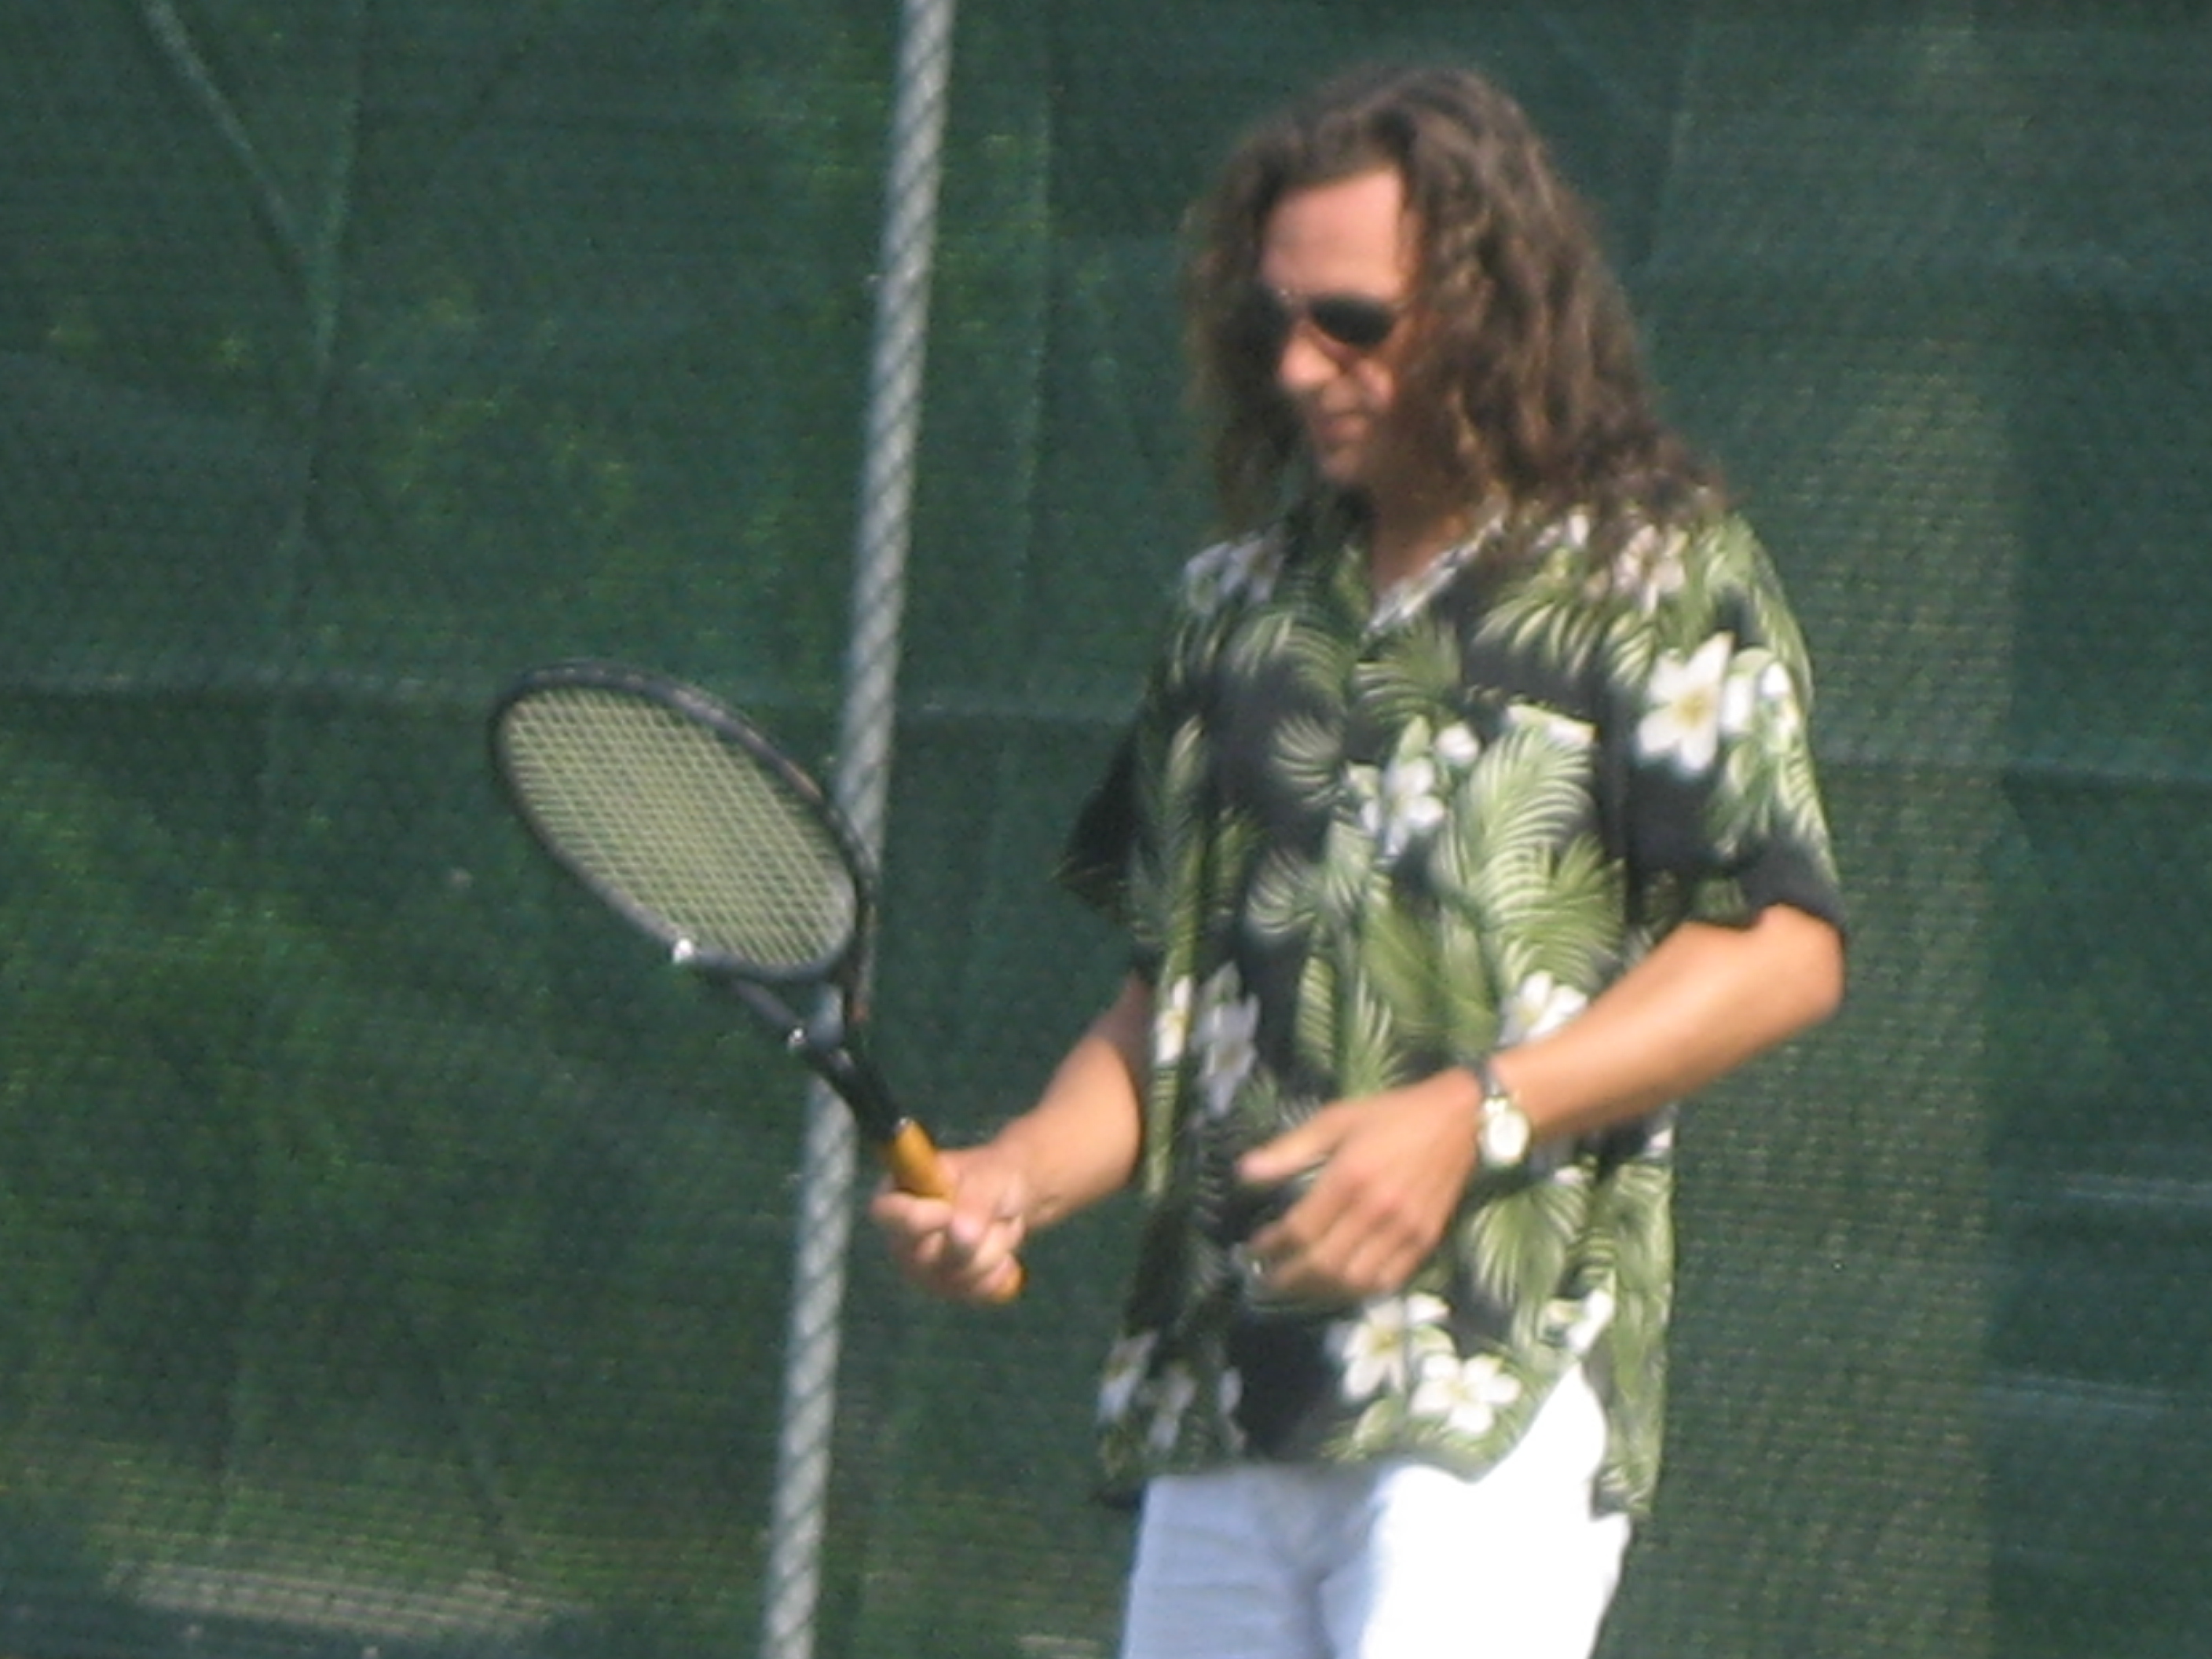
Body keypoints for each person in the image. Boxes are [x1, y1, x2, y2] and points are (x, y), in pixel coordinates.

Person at [871, 60, 1846, 1659]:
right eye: (1271, 327)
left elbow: (1784, 944)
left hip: (1496, 1380)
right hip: (1228, 1396)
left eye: (1357, 322)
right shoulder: (1230, 605)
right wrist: (1012, 1177)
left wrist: (1473, 1119)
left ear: (1488, 303)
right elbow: (1168, 1009)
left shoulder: (1654, 577)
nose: (1304, 366)